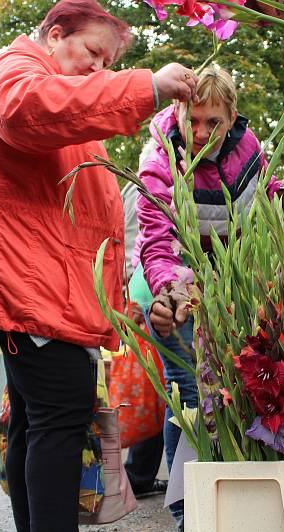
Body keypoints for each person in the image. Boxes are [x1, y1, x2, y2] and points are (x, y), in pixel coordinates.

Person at [0, 1, 198, 531]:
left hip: (37, 283)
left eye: (108, 62)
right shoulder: (14, 72)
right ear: (55, 34)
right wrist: (145, 87)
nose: (99, 70)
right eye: (93, 53)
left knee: (36, 422)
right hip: (27, 284)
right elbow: (27, 110)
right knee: (58, 417)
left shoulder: (49, 87)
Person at [134, 65, 284, 531]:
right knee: (190, 398)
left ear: (232, 118)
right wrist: (172, 290)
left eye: (215, 123)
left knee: (232, 394)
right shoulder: (159, 158)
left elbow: (265, 209)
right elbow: (156, 239)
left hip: (231, 291)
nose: (202, 133)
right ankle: (189, 514)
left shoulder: (250, 150)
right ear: (177, 111)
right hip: (176, 291)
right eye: (193, 120)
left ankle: (233, 504)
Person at [121, 183, 167, 499]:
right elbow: (129, 240)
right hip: (147, 291)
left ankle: (138, 474)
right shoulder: (143, 182)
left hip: (150, 290)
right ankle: (136, 474)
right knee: (158, 387)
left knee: (159, 387)